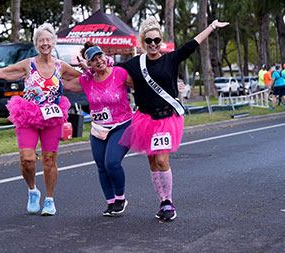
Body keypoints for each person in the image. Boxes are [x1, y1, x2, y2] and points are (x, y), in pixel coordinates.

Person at [0, 23, 81, 216]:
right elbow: (3, 72)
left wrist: (97, 71)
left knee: (49, 160)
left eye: (48, 40)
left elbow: (85, 79)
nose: (45, 43)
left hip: (51, 116)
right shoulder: (29, 64)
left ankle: (50, 200)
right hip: (28, 115)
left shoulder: (61, 66)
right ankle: (32, 191)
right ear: (36, 44)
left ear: (53, 42)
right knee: (27, 160)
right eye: (41, 40)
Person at [118, 17, 229, 221]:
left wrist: (212, 27)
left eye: (157, 40)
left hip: (167, 118)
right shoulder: (134, 64)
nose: (153, 44)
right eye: (149, 41)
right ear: (143, 42)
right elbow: (113, 74)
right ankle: (162, 201)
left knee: (161, 159)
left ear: (161, 41)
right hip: (144, 119)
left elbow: (193, 44)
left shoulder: (171, 59)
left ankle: (168, 201)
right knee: (152, 160)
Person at [63, 42, 134, 216]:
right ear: (90, 65)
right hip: (98, 129)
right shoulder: (87, 80)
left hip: (122, 125)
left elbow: (141, 84)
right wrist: (42, 76)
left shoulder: (119, 73)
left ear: (106, 56)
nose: (99, 61)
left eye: (100, 56)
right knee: (101, 165)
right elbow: (66, 85)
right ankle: (110, 202)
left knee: (112, 162)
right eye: (94, 60)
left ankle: (120, 198)